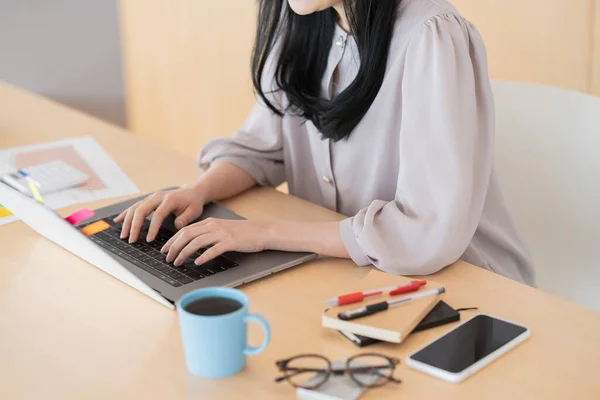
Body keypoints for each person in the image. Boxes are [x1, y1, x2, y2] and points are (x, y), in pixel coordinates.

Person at [115, 0, 535, 285]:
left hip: (461, 283)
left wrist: (264, 233)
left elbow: (424, 234)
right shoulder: (305, 17)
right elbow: (266, 146)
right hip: (350, 272)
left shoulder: (430, 35)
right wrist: (196, 192)